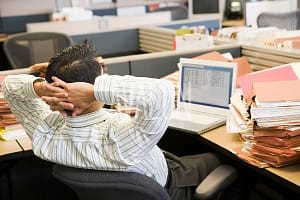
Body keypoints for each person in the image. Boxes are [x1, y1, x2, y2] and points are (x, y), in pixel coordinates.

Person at [2, 42, 221, 200]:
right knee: (220, 160)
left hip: (144, 175)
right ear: (92, 86)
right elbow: (161, 92)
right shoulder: (119, 138)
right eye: (102, 77)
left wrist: (41, 87)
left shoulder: (45, 134)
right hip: (171, 185)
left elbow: (10, 86)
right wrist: (96, 91)